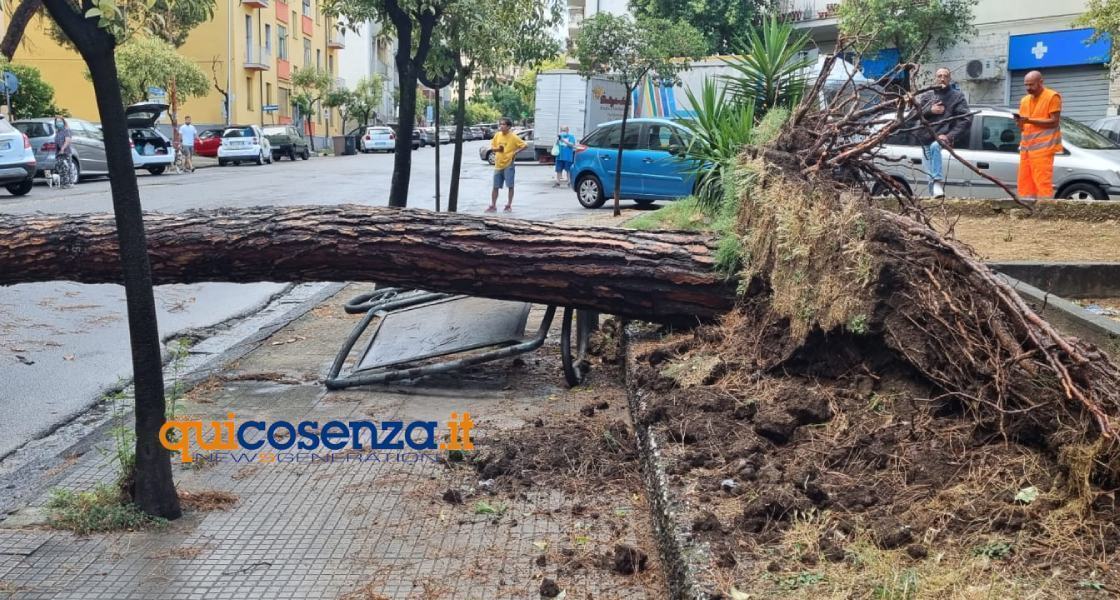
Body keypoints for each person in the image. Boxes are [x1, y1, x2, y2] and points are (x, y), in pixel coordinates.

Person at [913, 67, 971, 198]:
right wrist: (930, 111)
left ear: (949, 79)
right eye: (939, 76)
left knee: (935, 146)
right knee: (929, 176)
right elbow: (914, 115)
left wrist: (949, 136)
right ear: (935, 78)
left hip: (943, 137)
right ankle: (936, 201)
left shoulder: (957, 96)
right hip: (925, 138)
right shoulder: (927, 95)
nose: (942, 78)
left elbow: (966, 119)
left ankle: (938, 181)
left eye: (945, 76)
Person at [1015, 70, 1062, 200]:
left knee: (1042, 182)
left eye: (1031, 85)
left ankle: (1044, 210)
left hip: (1043, 150)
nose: (1028, 88)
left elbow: (1054, 122)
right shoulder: (1024, 100)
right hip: (1026, 149)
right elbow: (1024, 127)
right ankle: (1026, 208)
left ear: (1041, 82)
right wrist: (1020, 123)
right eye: (1026, 85)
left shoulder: (1052, 96)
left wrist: (1029, 120)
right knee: (1024, 183)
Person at [488, 117, 526, 212]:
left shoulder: (513, 137)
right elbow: (492, 147)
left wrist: (515, 152)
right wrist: (498, 149)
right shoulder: (497, 135)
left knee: (510, 185)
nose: (501, 126)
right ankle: (493, 205)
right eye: (500, 124)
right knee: (495, 186)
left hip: (508, 164)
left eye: (503, 124)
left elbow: (524, 145)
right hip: (498, 164)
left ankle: (508, 205)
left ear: (508, 126)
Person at [53, 116, 74, 188]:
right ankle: (63, 183)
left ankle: (69, 183)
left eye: (60, 121)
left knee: (67, 167)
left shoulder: (66, 130)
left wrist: (62, 149)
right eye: (57, 122)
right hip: (58, 153)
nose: (58, 123)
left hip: (66, 152)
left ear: (63, 122)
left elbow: (68, 140)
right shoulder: (58, 132)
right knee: (60, 168)